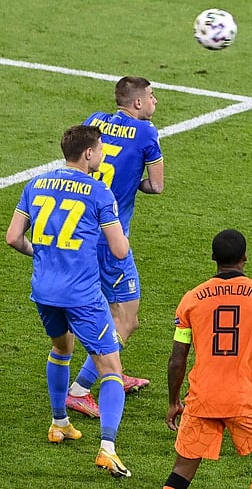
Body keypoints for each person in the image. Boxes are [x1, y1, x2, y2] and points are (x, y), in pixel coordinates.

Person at [6, 125, 134, 477]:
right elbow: (120, 250)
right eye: (101, 149)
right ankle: (107, 448)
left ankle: (59, 422)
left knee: (61, 349)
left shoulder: (35, 183)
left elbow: (13, 237)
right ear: (89, 153)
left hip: (44, 290)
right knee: (110, 368)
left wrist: (41, 255)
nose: (103, 154)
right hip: (81, 293)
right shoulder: (97, 191)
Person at [67, 76, 164, 418]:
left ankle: (114, 372)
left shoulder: (94, 121)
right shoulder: (147, 133)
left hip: (81, 232)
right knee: (127, 319)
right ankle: (79, 389)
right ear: (137, 103)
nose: (155, 102)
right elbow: (156, 185)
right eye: (152, 96)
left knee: (106, 310)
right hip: (111, 239)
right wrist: (129, 182)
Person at [164, 229, 252, 489]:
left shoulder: (191, 299)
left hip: (202, 398)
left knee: (183, 470)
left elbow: (177, 359)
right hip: (244, 397)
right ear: (245, 257)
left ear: (213, 257)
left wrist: (174, 401)